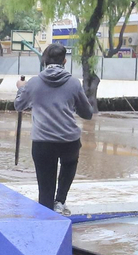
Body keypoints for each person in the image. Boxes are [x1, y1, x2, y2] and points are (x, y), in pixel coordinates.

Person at [14, 43, 95, 213]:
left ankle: (46, 212)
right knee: (69, 164)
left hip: (43, 142)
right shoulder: (73, 83)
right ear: (65, 61)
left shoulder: (34, 83)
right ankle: (60, 201)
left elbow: (19, 105)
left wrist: (21, 89)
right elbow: (87, 113)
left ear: (44, 60)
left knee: (45, 189)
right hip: (69, 141)